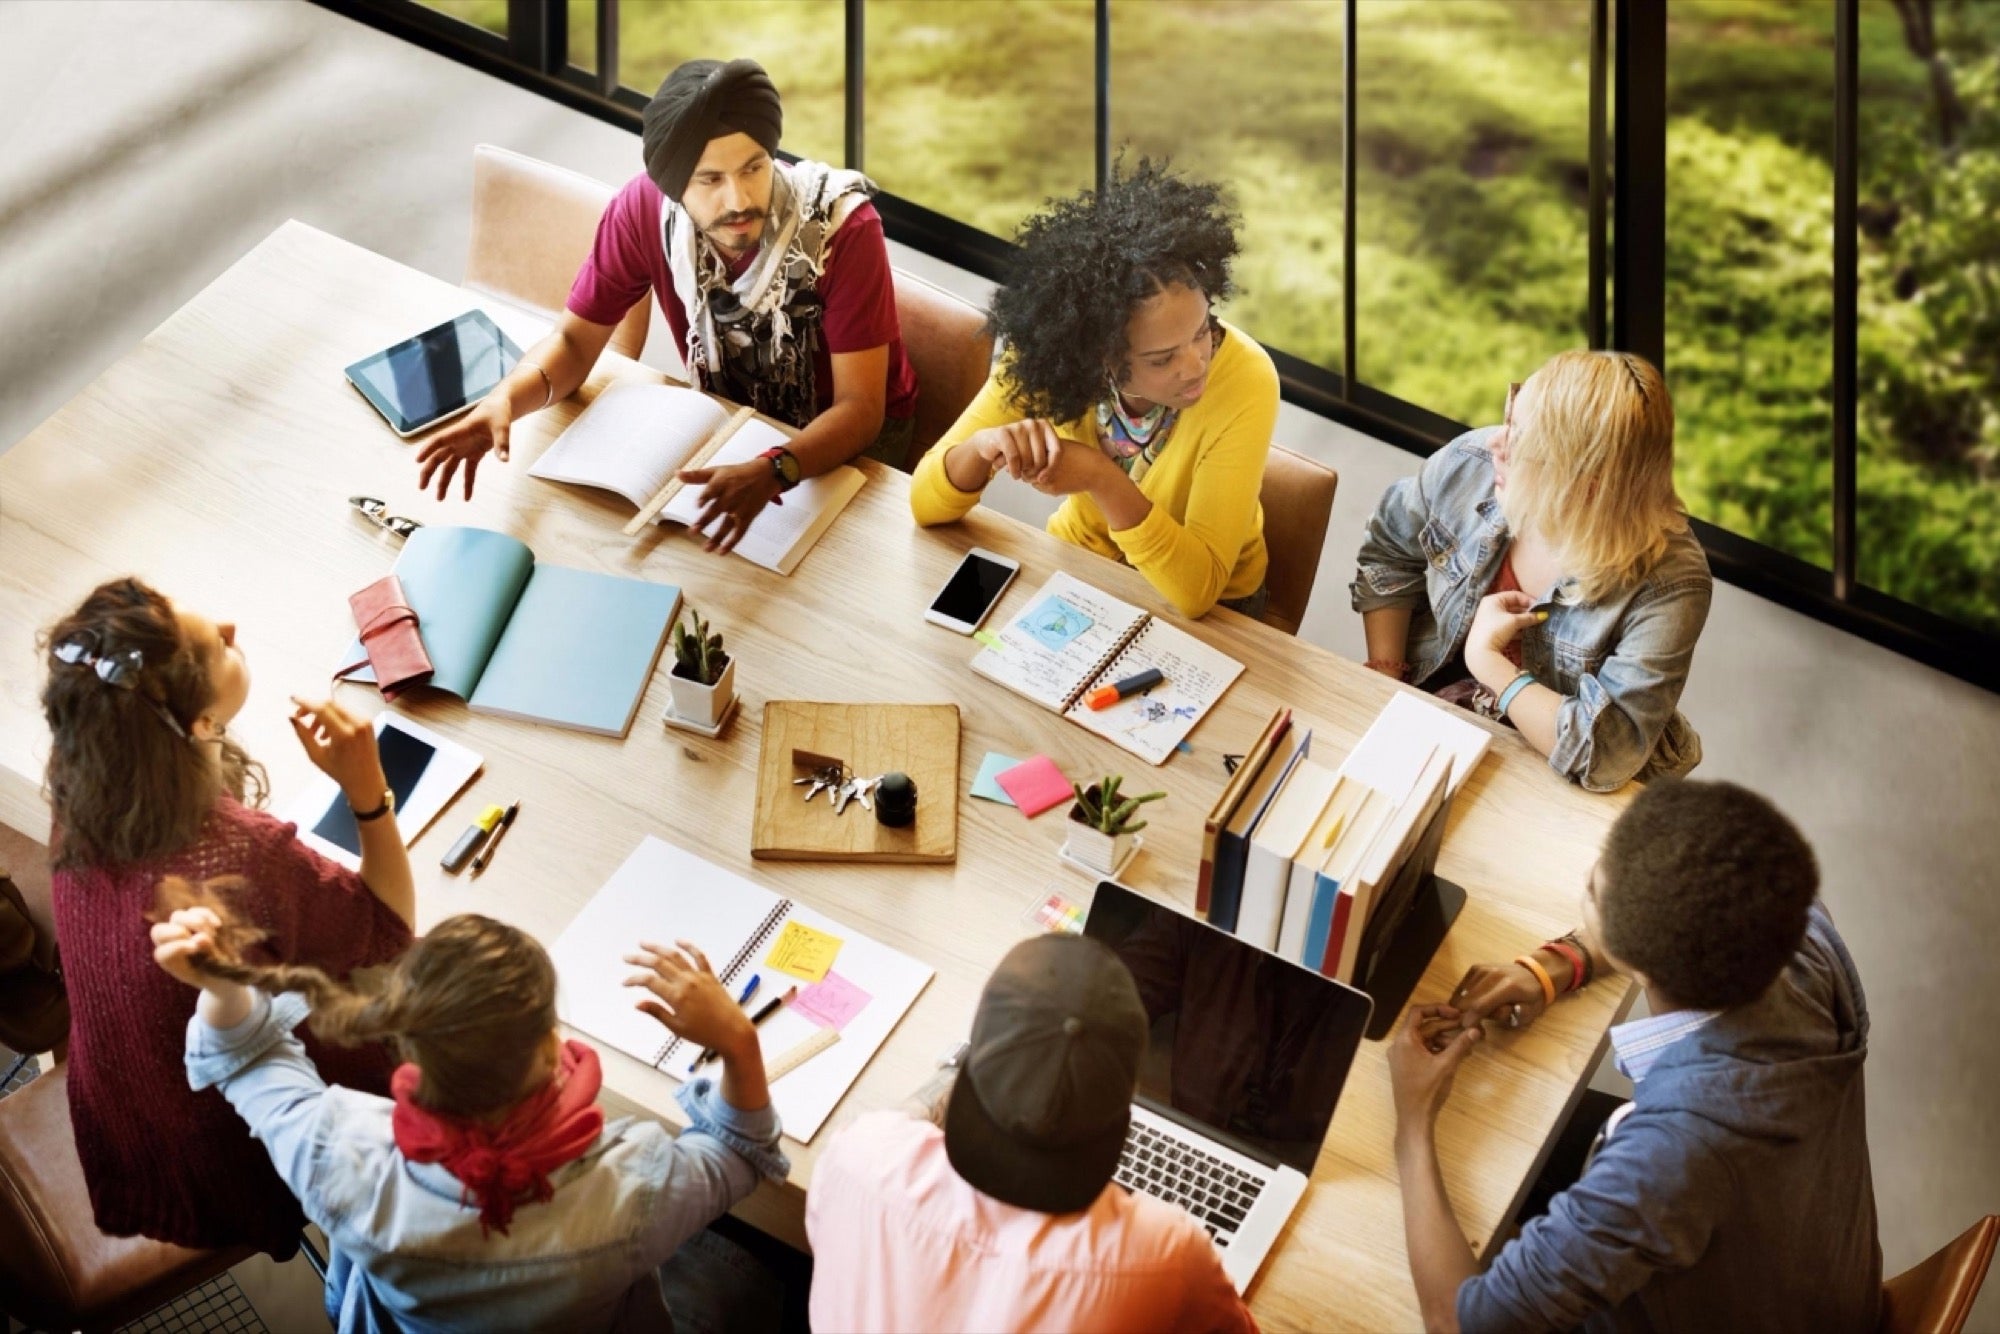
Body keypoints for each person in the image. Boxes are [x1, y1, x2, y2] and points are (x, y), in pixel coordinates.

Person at [148, 882, 788, 1333]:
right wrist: (736, 1039)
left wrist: (223, 989)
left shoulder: (338, 1157)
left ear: (410, 1054)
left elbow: (250, 1061)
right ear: (550, 1046)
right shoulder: (636, 1191)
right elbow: (738, 1152)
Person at [1387, 779, 1879, 1334]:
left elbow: (1456, 1324)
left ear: (1637, 960)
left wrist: (1412, 1119)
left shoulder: (1668, 1159)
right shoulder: (1802, 937)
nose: (1595, 870)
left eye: (1597, 886)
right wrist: (1558, 964)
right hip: (1809, 1274)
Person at [40, 577, 415, 1258]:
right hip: (234, 1144)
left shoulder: (80, 772)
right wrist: (367, 791)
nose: (235, 626)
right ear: (201, 726)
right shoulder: (242, 854)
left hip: (124, 1109)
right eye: (217, 644)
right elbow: (388, 926)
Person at [417, 57, 917, 556]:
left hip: (859, 445)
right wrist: (507, 398)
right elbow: (573, 342)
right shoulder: (642, 212)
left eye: (754, 167)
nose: (738, 199)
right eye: (709, 179)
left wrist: (775, 468)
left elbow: (862, 410)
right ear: (673, 185)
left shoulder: (844, 230)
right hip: (737, 422)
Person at [805, 933, 1256, 1333]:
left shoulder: (858, 1158)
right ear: (1130, 1095)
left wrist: (978, 1067)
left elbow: (886, 1136)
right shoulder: (1166, 1256)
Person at [909, 160, 1279, 620]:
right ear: (1099, 354)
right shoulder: (1049, 357)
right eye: (1161, 358)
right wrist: (984, 449)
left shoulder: (1246, 379)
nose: (1196, 364)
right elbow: (924, 503)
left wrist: (1100, 478)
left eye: (1203, 330)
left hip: (1222, 607)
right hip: (1086, 563)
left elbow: (1197, 589)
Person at [1352, 350, 1711, 791]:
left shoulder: (1671, 584)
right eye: (1510, 417)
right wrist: (1387, 679)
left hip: (1564, 769)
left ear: (1585, 483)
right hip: (1441, 706)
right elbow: (1388, 553)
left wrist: (1488, 662)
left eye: (1520, 442)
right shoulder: (1472, 467)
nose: (1493, 444)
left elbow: (1608, 755)